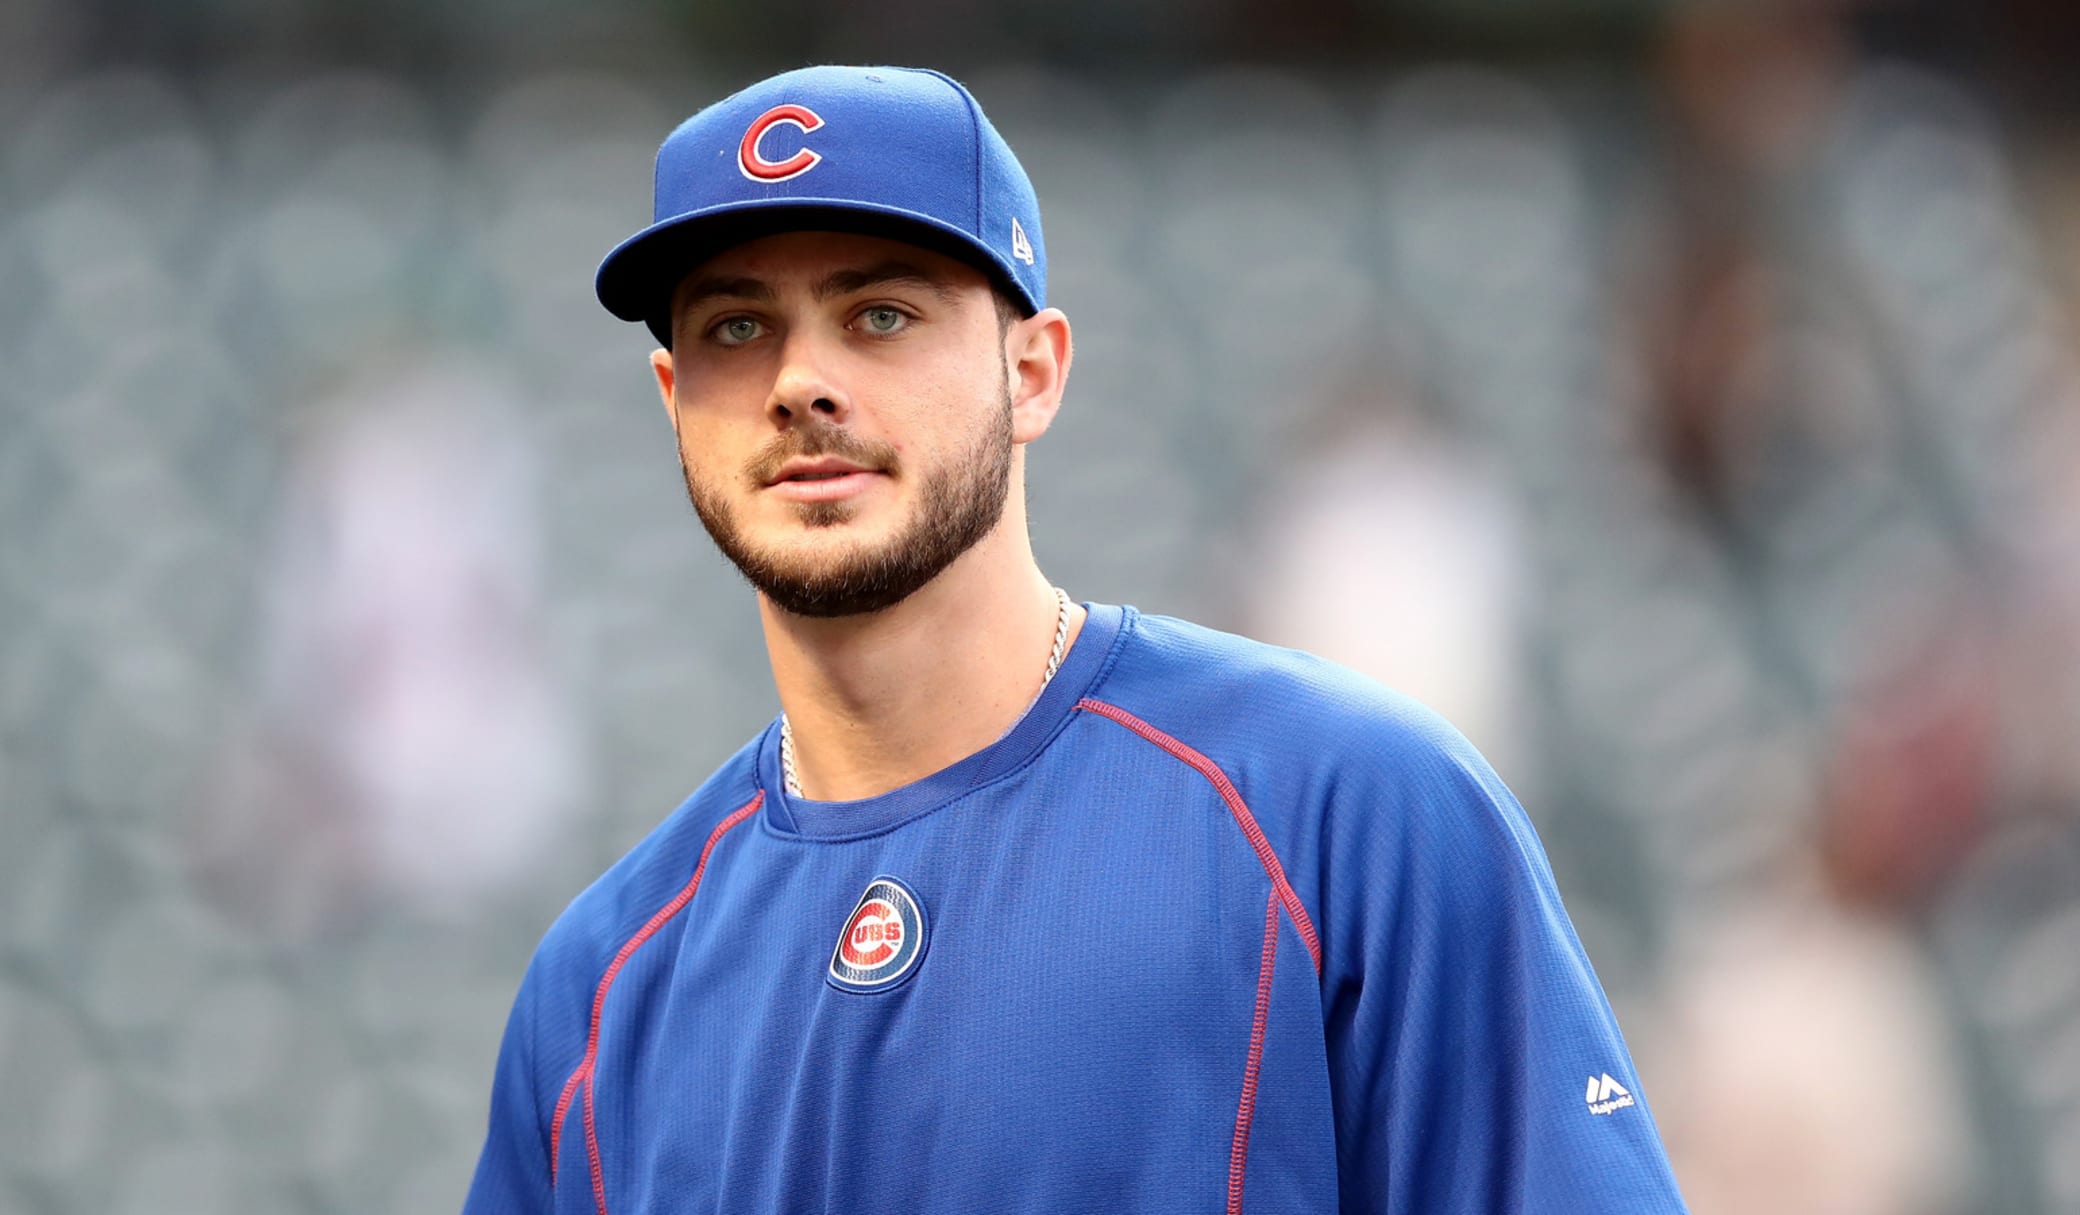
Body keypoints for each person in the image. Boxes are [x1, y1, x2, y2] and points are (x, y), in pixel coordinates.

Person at [463, 64, 1687, 1214]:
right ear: (676, 401)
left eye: (880, 313)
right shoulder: (601, 986)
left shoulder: (1349, 809)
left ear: (1033, 372)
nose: (800, 381)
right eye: (737, 328)